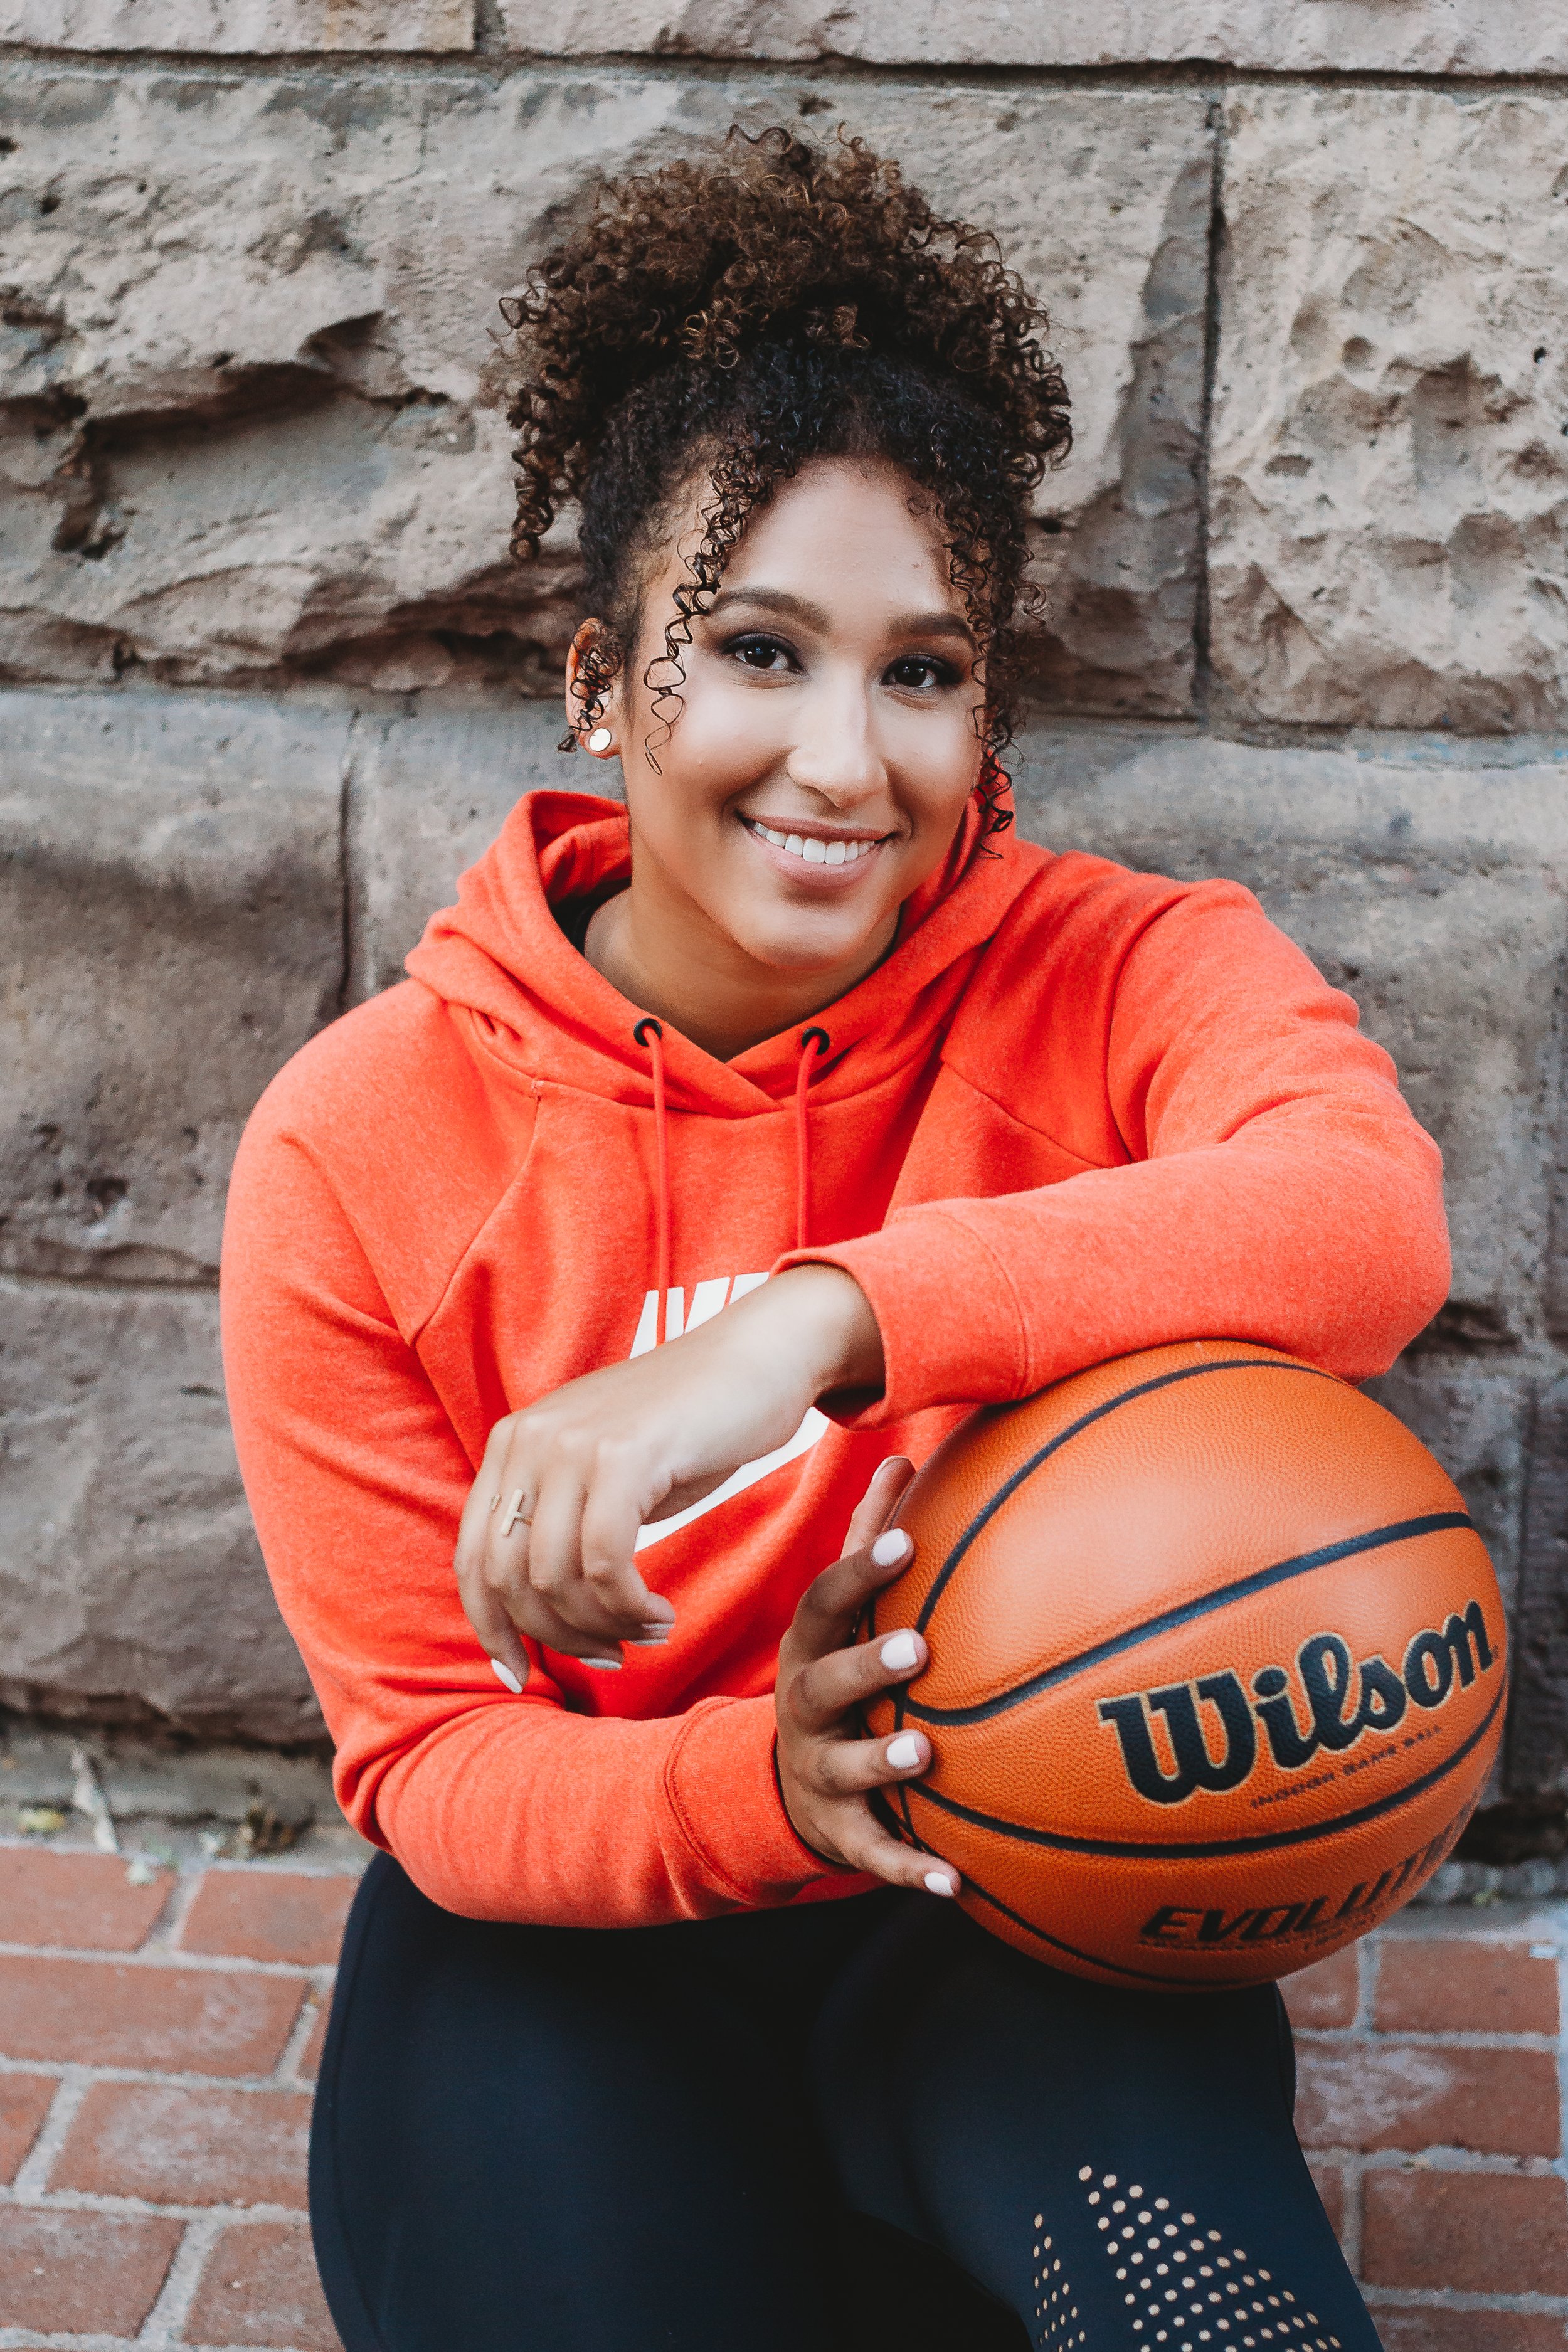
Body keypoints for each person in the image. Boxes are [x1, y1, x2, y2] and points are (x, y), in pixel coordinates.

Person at [221, 129, 1448, 2352]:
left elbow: (1361, 1224)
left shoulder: (1126, 968)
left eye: (923, 670)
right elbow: (425, 1753)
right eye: (758, 649)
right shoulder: (362, 1140)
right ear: (602, 684)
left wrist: (811, 1324)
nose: (842, 758)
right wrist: (760, 1776)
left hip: (1023, 1917)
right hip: (572, 1936)